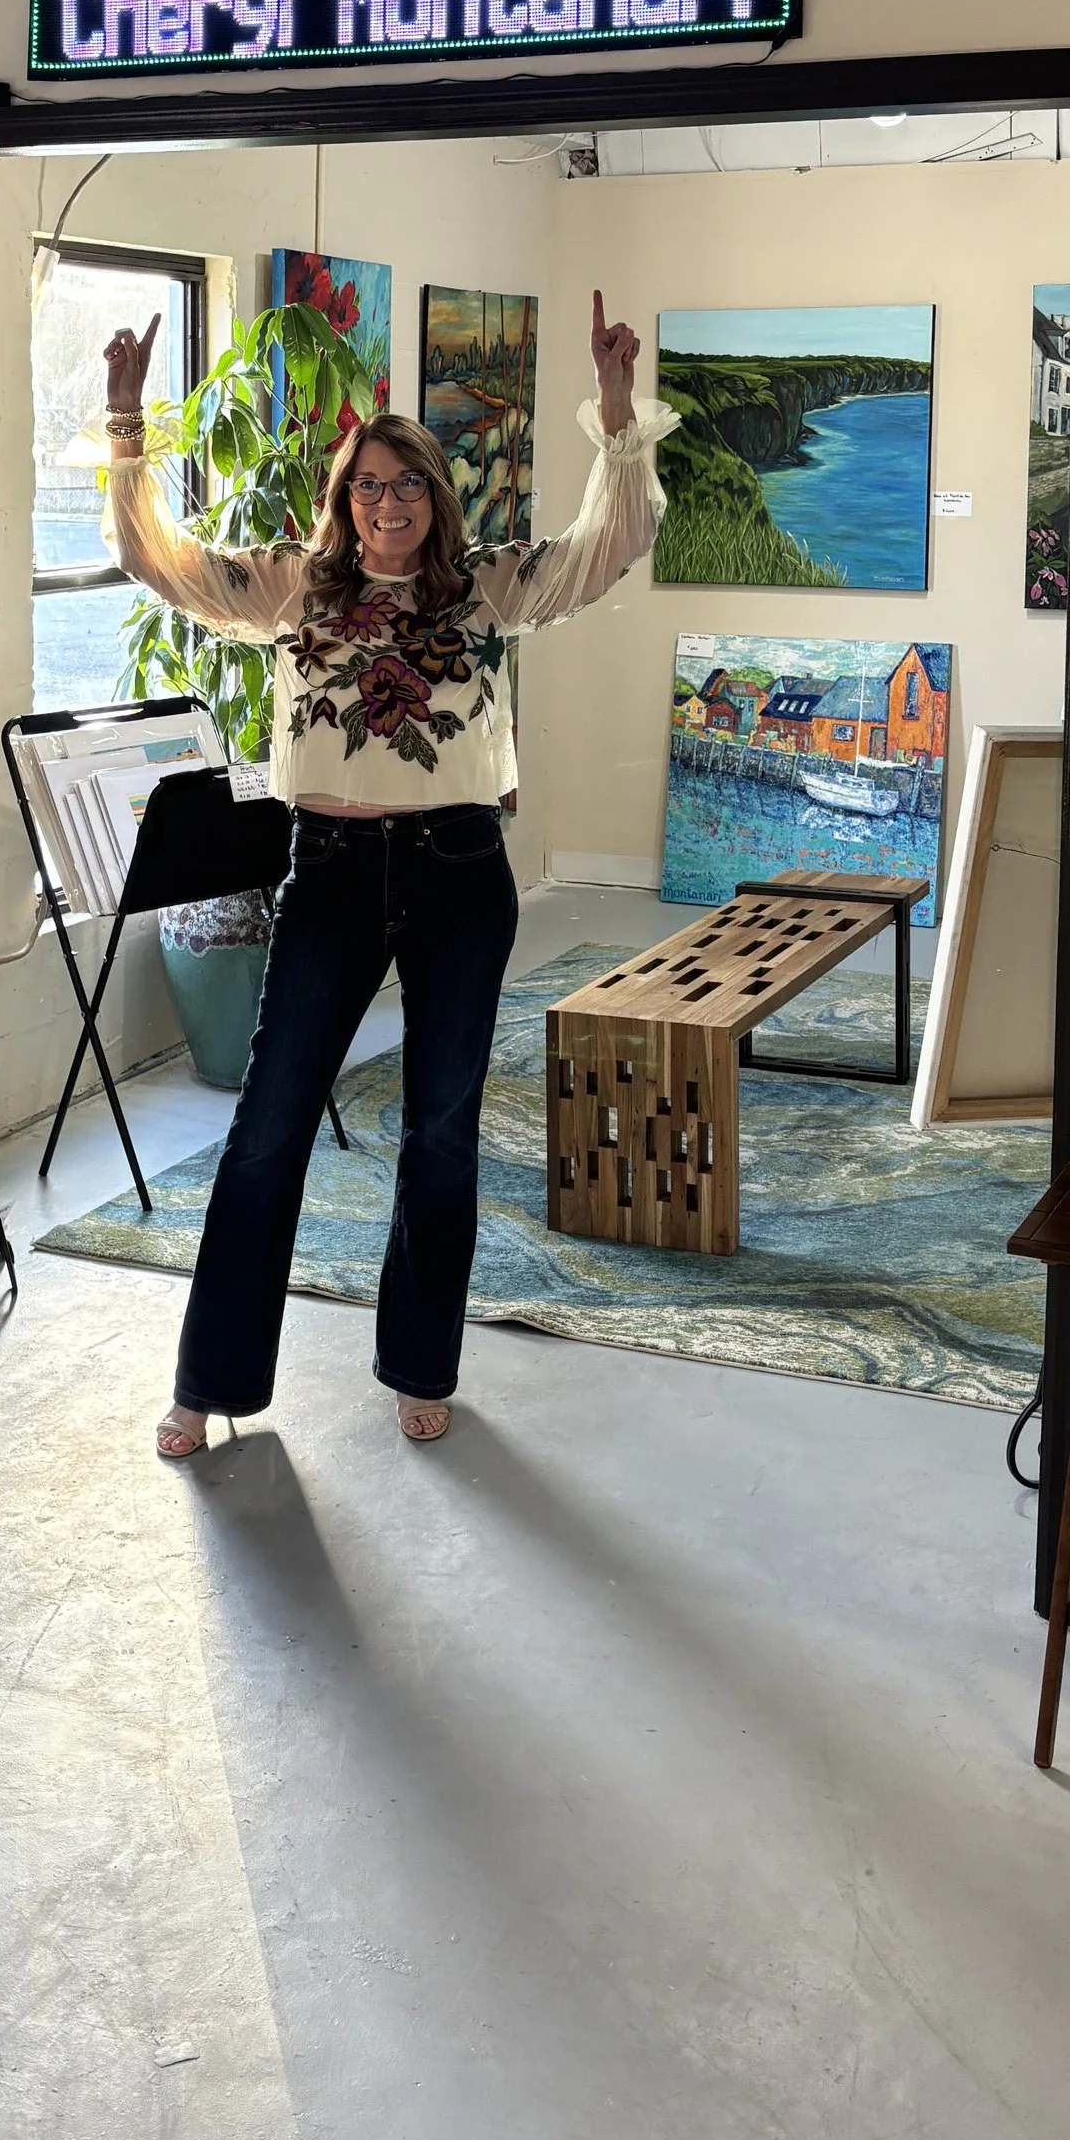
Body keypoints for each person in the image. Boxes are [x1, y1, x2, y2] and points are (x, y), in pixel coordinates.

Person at [102, 292, 675, 1458]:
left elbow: (609, 549)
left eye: (407, 485)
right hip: (329, 871)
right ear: (342, 500)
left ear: (436, 500)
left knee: (439, 1130)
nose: (387, 504)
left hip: (462, 873)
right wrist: (126, 429)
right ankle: (208, 1380)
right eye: (367, 484)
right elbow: (155, 563)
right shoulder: (290, 590)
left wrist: (616, 415)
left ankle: (421, 1363)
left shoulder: (488, 590)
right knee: (267, 1127)